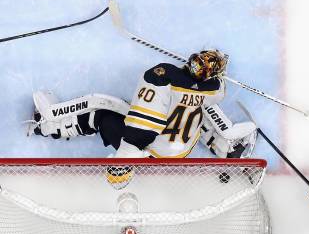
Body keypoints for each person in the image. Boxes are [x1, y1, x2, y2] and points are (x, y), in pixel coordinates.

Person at [27, 49, 257, 158]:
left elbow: (143, 127)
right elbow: (216, 86)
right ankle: (225, 149)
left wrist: (129, 153)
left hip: (152, 152)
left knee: (100, 115)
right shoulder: (214, 90)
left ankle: (45, 126)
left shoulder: (166, 77)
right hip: (181, 152)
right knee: (198, 115)